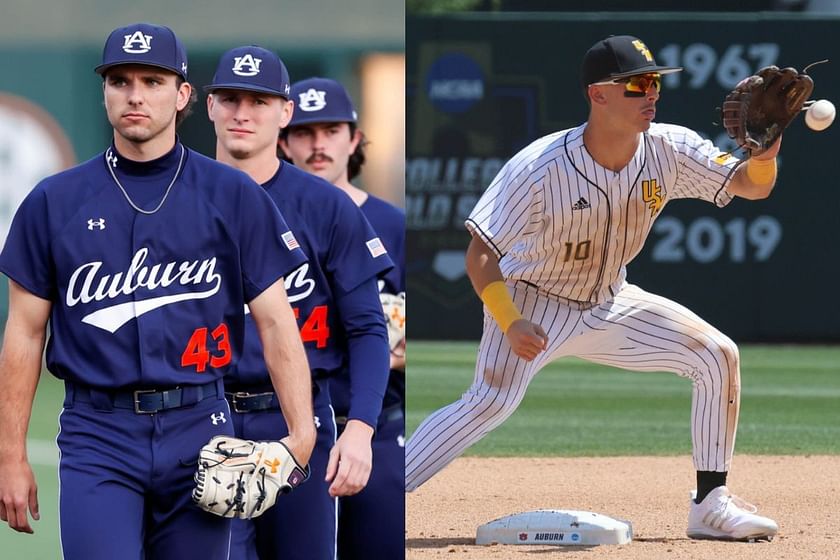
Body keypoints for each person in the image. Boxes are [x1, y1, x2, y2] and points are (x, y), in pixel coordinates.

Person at [404, 34, 781, 542]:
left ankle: (710, 505)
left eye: (655, 83)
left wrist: (765, 154)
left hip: (609, 299)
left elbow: (751, 185)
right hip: (532, 299)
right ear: (597, 94)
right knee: (489, 402)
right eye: (637, 84)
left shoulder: (669, 148)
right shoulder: (540, 166)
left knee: (717, 355)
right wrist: (510, 320)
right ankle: (383, 494)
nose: (652, 93)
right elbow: (481, 254)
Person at [0, 23, 316, 560]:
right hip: (97, 433)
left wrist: (302, 433)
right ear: (104, 91)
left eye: (153, 80)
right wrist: (10, 453)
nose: (136, 95)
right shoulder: (55, 201)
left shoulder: (232, 194)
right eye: (120, 81)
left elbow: (276, 320)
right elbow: (25, 334)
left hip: (201, 429)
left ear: (183, 94)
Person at [205, 47, 393, 560]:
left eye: (259, 100)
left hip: (299, 419)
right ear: (209, 106)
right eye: (231, 98)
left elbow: (367, 330)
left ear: (285, 113)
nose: (243, 112)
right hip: (203, 419)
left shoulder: (324, 205)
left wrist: (359, 430)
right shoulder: (179, 197)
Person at [280, 77, 406, 559]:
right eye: (305, 131)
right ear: (285, 140)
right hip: (289, 426)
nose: (318, 144)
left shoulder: (392, 224)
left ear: (354, 140)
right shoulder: (260, 218)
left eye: (330, 130)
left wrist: (395, 351)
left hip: (377, 423)